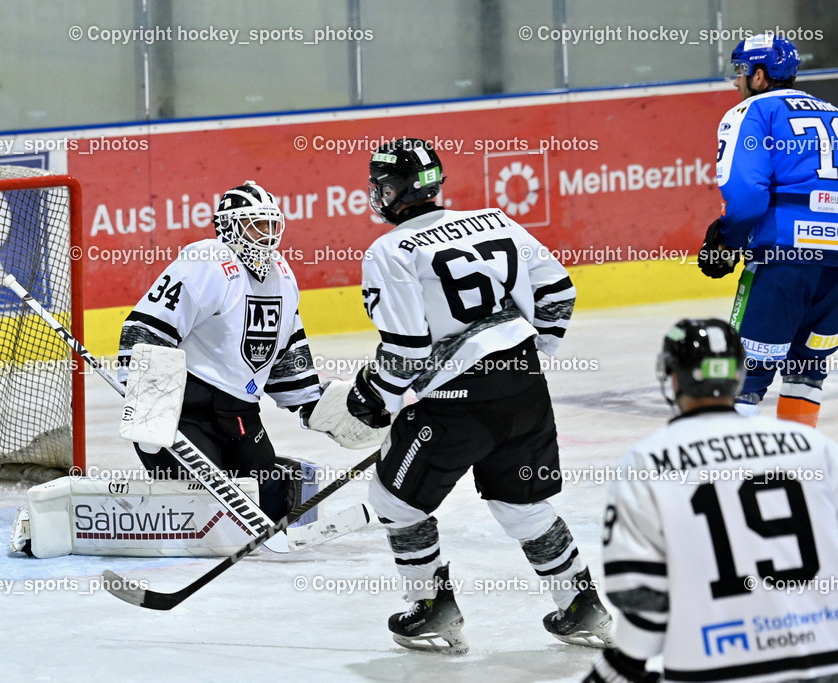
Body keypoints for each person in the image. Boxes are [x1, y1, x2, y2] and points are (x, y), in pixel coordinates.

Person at [345, 138, 614, 654]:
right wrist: (528, 357)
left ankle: (431, 610)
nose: (376, 193)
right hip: (525, 387)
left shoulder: (390, 250)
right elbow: (558, 291)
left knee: (393, 501)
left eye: (380, 185)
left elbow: (404, 347)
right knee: (524, 506)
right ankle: (582, 607)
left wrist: (373, 396)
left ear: (393, 191)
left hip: (456, 403)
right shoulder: (496, 220)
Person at [587, 318, 838, 682]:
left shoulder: (648, 463)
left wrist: (621, 667)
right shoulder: (816, 448)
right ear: (738, 375)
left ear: (673, 378)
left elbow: (641, 595)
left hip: (716, 668)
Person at [117, 181, 323, 520]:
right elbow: (146, 328)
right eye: (256, 224)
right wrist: (148, 410)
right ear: (229, 227)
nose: (267, 234)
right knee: (201, 500)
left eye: (272, 224)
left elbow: (287, 347)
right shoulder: (207, 262)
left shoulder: (282, 275)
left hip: (239, 412)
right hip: (184, 411)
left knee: (269, 486)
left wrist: (313, 403)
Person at [698, 34, 838, 428]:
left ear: (760, 76)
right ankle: (794, 476)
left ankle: (737, 484)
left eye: (741, 72)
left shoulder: (753, 112)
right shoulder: (834, 112)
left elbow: (746, 197)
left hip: (784, 257)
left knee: (743, 375)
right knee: (807, 371)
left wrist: (726, 240)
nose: (735, 82)